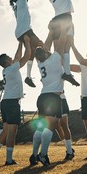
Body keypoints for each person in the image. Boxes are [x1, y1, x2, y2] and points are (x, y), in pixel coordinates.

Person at [0, 35, 31, 165]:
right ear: (7, 61)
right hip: (12, 103)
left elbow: (17, 57)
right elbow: (26, 57)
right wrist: (27, 44)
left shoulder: (7, 69)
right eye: (9, 58)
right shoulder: (12, 68)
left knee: (6, 130)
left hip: (6, 102)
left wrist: (19, 44)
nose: (12, 58)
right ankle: (9, 160)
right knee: (12, 132)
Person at [36, 0, 79, 87]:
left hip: (56, 19)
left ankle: (61, 72)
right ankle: (63, 72)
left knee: (62, 47)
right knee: (65, 46)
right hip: (65, 18)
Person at [29, 29, 65, 166]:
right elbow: (60, 45)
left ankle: (33, 155)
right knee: (49, 127)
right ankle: (43, 155)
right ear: (45, 52)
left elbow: (46, 47)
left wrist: (51, 31)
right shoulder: (54, 59)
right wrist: (62, 29)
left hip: (42, 97)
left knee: (40, 128)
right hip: (52, 97)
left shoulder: (40, 63)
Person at [10, 0, 43, 88]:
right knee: (40, 46)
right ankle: (39, 73)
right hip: (25, 30)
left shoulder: (16, 6)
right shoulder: (21, 0)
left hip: (19, 32)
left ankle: (28, 77)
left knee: (32, 51)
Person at [55, 93, 75, 160]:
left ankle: (69, 152)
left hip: (60, 98)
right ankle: (69, 148)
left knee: (64, 124)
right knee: (56, 126)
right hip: (50, 99)